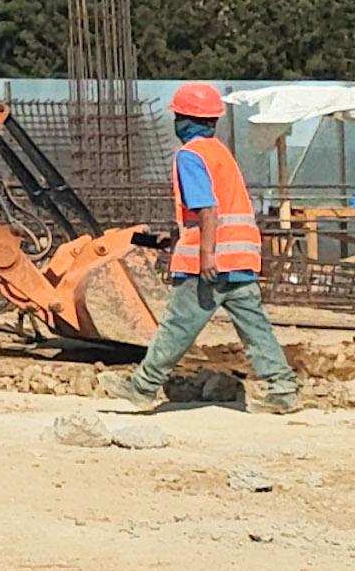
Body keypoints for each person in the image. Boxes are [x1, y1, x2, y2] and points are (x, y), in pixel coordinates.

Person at [100, 83, 300, 415]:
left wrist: (206, 253)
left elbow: (208, 209)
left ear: (185, 119)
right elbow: (213, 209)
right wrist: (177, 237)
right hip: (239, 260)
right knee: (255, 328)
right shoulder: (219, 152)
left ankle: (142, 387)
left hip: (208, 264)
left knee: (177, 326)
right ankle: (283, 390)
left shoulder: (190, 155)